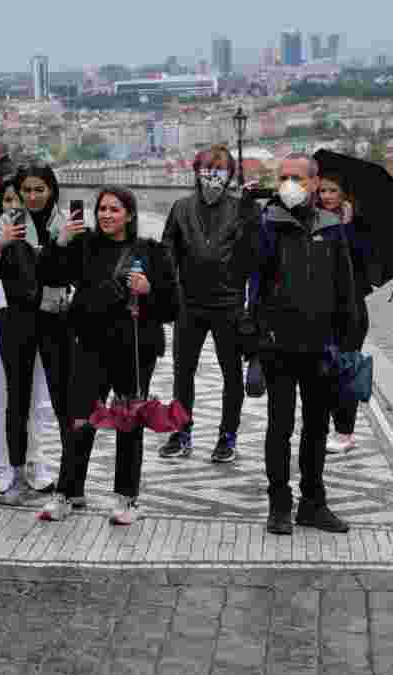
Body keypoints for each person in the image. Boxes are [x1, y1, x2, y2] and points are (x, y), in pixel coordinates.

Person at [37, 187, 179, 525]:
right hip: (90, 346)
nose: (106, 215)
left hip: (134, 349)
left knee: (129, 423)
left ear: (129, 214)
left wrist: (149, 291)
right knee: (80, 421)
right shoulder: (84, 246)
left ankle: (127, 499)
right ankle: (67, 493)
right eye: (101, 208)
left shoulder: (151, 252)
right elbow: (50, 276)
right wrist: (59, 242)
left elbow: (171, 307)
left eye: (115, 209)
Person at [250, 154, 359, 536]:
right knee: (279, 427)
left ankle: (313, 503)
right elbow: (255, 286)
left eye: (295, 177)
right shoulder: (268, 224)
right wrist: (256, 345)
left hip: (320, 347)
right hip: (279, 346)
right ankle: (279, 504)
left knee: (316, 427)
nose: (287, 184)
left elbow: (345, 289)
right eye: (282, 177)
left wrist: (347, 343)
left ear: (314, 183)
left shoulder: (331, 227)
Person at [158, 144, 261, 464]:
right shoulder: (181, 207)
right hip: (189, 302)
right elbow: (167, 251)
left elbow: (254, 253)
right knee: (182, 372)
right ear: (197, 173)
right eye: (206, 171)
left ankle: (227, 436)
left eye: (219, 172)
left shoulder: (241, 208)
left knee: (231, 373)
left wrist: (250, 212)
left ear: (229, 176)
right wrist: (167, 289)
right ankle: (181, 431)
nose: (212, 179)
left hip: (228, 303)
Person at [0, 163, 74, 503]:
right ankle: (15, 474)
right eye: (27, 190)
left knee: (64, 398)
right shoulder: (9, 222)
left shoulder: (64, 222)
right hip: (17, 318)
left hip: (55, 317)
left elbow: (75, 271)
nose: (33, 197)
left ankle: (70, 480)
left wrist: (62, 244)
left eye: (40, 189)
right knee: (16, 397)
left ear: (51, 190)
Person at [0, 180, 56, 494]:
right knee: (4, 394)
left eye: (18, 200)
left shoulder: (43, 228)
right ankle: (3, 465)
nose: (14, 207)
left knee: (37, 397)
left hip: (37, 317)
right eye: (7, 200)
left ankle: (35, 462)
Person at [317, 173, 372, 454]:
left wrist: (347, 227)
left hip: (351, 312)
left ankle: (345, 432)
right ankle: (320, 427)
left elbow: (360, 265)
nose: (326, 196)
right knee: (320, 373)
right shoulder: (314, 223)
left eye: (333, 191)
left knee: (346, 371)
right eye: (323, 190)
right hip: (320, 311)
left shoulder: (357, 228)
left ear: (344, 195)